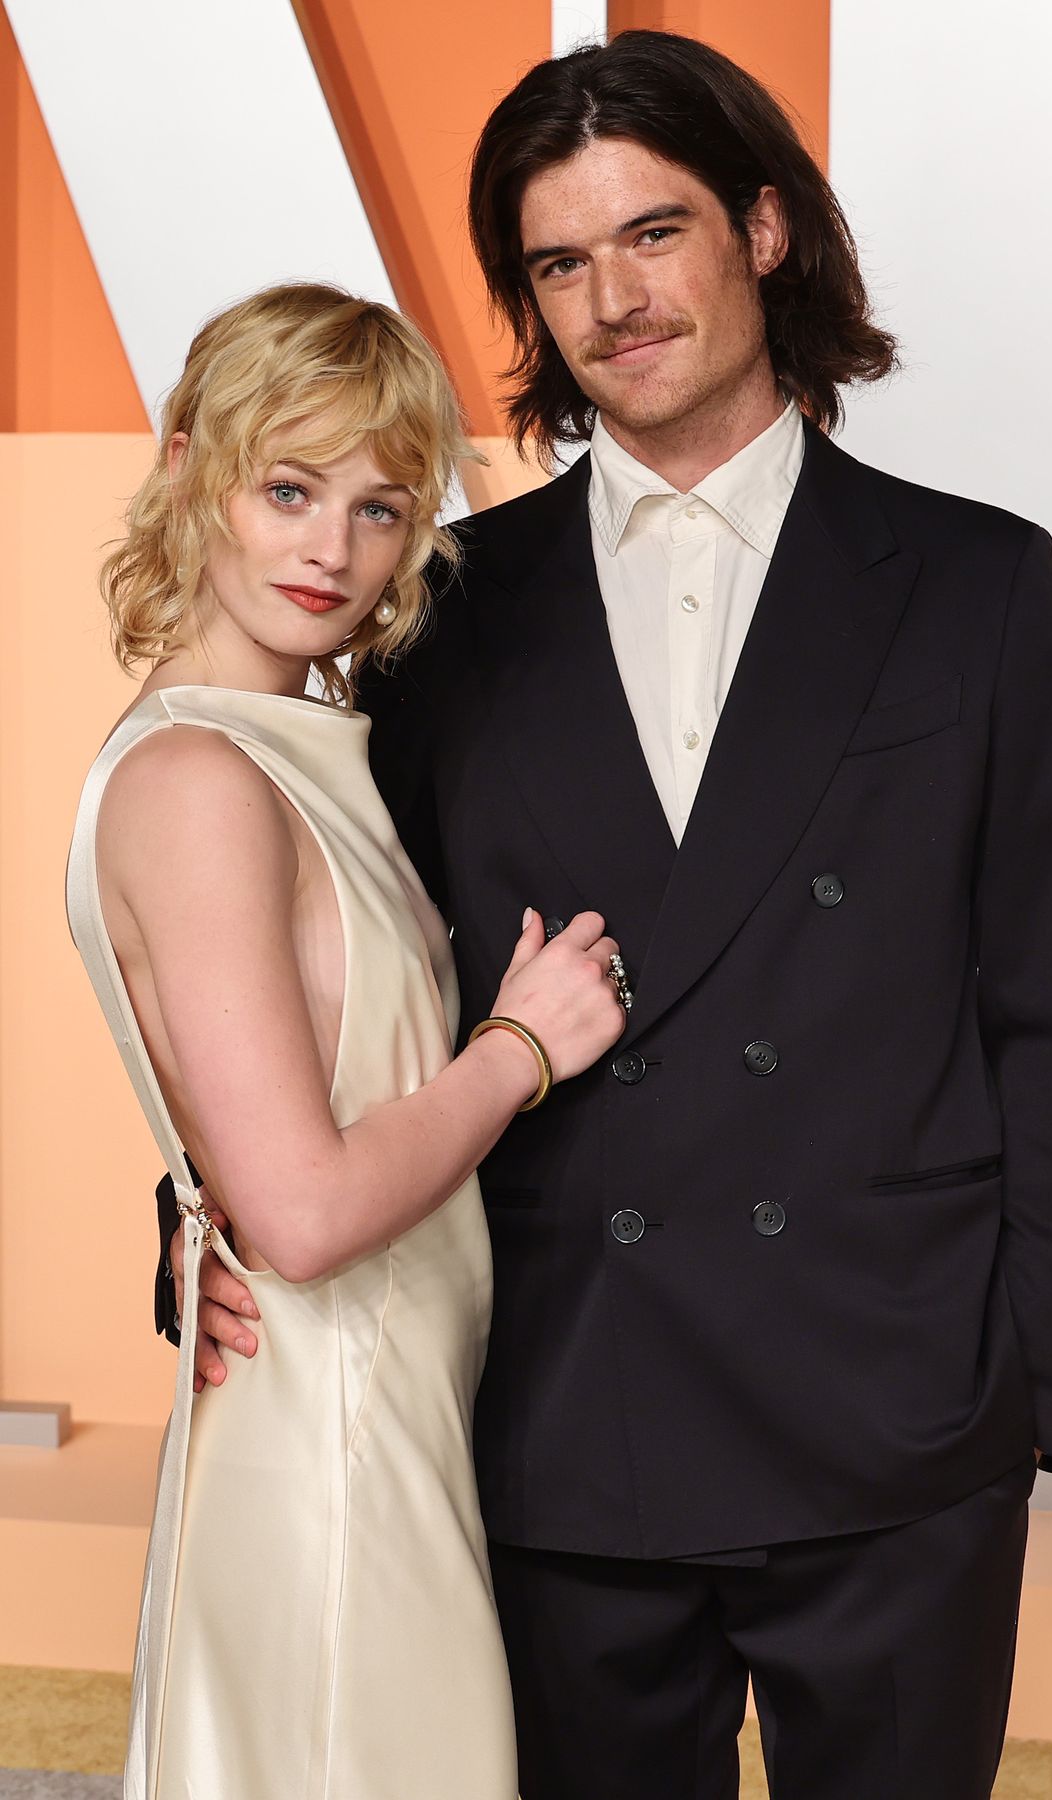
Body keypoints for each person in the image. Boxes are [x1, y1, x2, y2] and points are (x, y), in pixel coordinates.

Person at [172, 32, 1052, 1800]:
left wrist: (1046, 1392)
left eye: (652, 234)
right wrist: (206, 1204)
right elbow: (348, 973)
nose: (613, 297)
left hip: (893, 1412)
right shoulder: (438, 599)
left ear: (763, 232)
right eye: (559, 263)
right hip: (563, 1408)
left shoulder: (977, 579)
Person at [68, 282, 626, 1800]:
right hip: (327, 1449)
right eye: (290, 488)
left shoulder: (292, 747)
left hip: (374, 1424)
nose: (334, 550)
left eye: (382, 508)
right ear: (189, 463)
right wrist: (519, 1046)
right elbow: (303, 1215)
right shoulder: (198, 779)